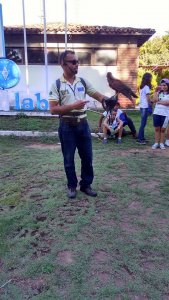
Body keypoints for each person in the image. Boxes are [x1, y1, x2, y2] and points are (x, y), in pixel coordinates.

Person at [49, 50, 107, 199]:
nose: (77, 64)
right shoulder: (56, 85)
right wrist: (74, 106)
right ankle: (72, 186)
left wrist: (107, 100)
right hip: (66, 126)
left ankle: (86, 185)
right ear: (63, 64)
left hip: (83, 125)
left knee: (87, 157)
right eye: (73, 62)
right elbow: (53, 109)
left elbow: (96, 94)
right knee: (68, 159)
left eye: (77, 61)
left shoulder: (82, 81)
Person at [151, 78, 169, 150]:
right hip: (157, 113)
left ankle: (161, 143)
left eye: (165, 85)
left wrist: (159, 102)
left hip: (165, 114)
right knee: (157, 129)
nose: (163, 87)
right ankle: (156, 143)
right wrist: (155, 91)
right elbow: (155, 100)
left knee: (163, 130)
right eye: (162, 85)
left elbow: (168, 103)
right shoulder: (159, 93)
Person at [137, 72, 153, 145]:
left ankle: (142, 138)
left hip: (142, 106)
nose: (151, 79)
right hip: (145, 107)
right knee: (143, 123)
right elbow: (148, 98)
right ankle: (140, 139)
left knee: (143, 123)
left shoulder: (142, 87)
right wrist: (151, 104)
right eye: (150, 78)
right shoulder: (146, 87)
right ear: (148, 79)